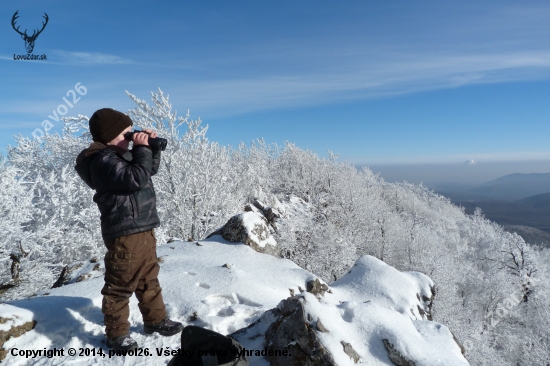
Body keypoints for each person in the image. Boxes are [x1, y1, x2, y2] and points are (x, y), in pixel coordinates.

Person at [75, 108, 183, 350]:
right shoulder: (102, 160)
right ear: (109, 136)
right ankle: (117, 333)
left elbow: (147, 172)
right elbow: (135, 179)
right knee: (120, 284)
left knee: (148, 278)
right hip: (124, 233)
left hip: (143, 227)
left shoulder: (118, 156)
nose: (130, 137)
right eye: (127, 134)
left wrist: (151, 149)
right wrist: (142, 149)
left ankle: (155, 320)